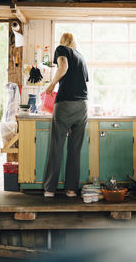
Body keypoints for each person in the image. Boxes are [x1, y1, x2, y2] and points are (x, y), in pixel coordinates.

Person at [43, 33, 89, 198]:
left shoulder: (62, 50)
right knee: (75, 149)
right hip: (83, 106)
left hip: (65, 104)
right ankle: (71, 189)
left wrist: (51, 85)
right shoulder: (82, 58)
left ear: (63, 42)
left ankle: (50, 189)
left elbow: (63, 67)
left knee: (56, 147)